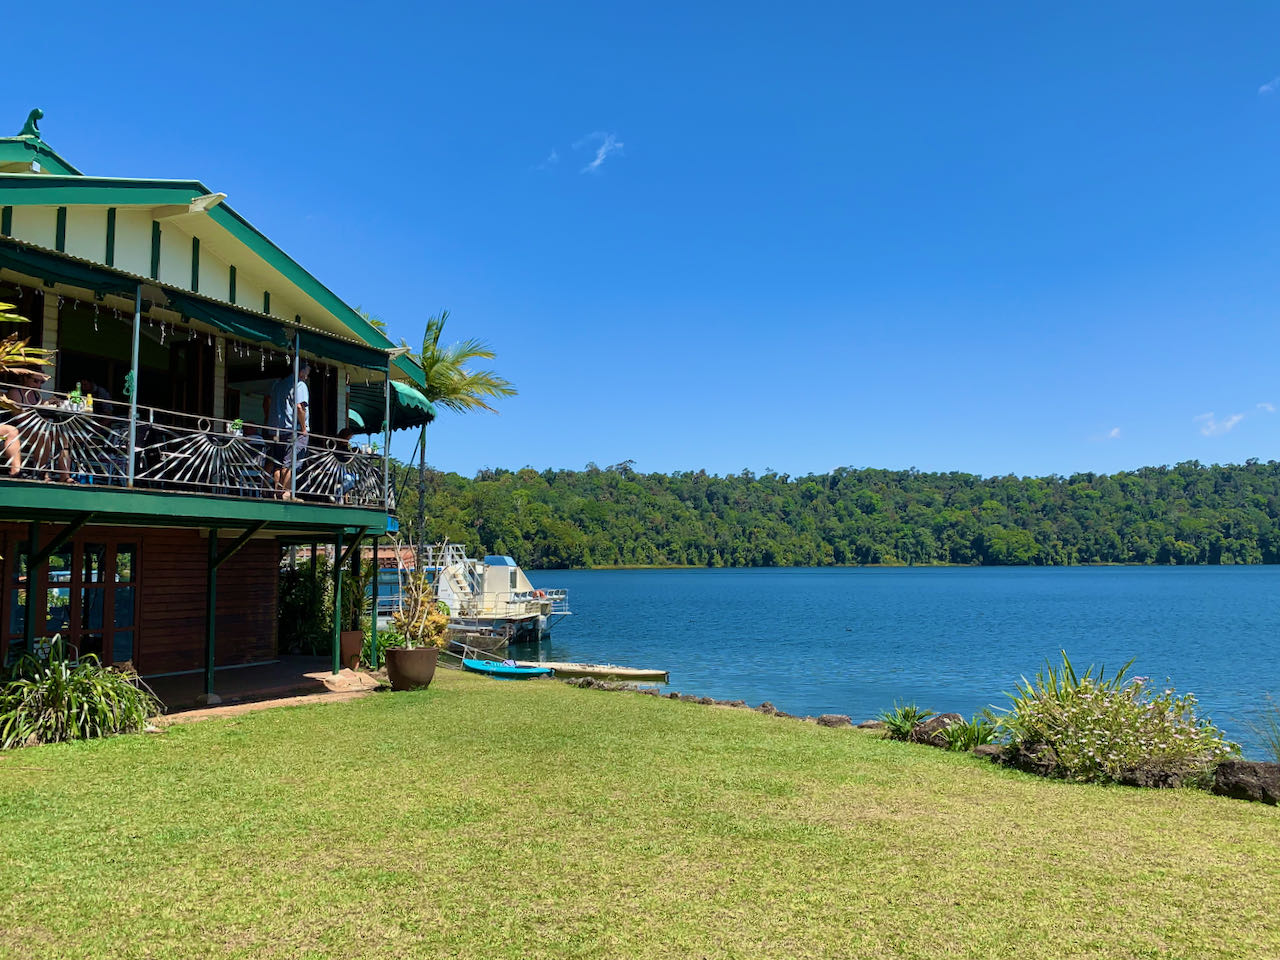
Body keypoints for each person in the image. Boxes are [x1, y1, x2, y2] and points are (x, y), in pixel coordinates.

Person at [267, 360, 310, 499]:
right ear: (301, 371)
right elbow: (299, 407)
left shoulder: (278, 384)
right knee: (290, 462)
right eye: (307, 373)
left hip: (276, 430)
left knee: (278, 464)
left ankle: (277, 492)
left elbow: (267, 402)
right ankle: (286, 493)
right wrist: (304, 428)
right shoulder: (299, 384)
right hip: (293, 430)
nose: (307, 376)